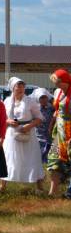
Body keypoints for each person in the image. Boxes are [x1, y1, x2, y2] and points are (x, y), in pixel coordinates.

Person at [0, 77, 45, 194]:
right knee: (8, 158)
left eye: (22, 86)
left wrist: (28, 126)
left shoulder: (30, 101)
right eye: (18, 86)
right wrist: (8, 121)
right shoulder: (7, 101)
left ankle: (39, 187)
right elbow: (3, 118)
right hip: (11, 134)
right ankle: (2, 187)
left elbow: (40, 118)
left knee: (32, 158)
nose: (21, 89)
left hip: (28, 133)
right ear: (13, 88)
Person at [47, 69, 71, 198]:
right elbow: (57, 111)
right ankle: (52, 192)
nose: (56, 85)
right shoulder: (59, 92)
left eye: (58, 83)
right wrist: (51, 125)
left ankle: (70, 192)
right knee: (54, 161)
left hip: (69, 132)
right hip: (60, 132)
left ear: (65, 81)